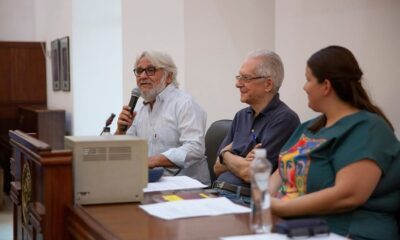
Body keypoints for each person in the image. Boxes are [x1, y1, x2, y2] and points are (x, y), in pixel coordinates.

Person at [270, 46, 400, 239]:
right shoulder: (309, 127)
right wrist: (266, 200)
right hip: (292, 227)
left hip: (345, 231)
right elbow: (282, 169)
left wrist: (281, 207)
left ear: (326, 86)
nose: (304, 87)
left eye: (308, 79)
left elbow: (348, 195)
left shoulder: (368, 128)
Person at [213, 49, 300, 205]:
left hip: (246, 200)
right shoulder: (241, 116)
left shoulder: (285, 120)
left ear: (268, 84)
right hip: (218, 192)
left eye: (245, 78)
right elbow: (217, 168)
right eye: (239, 77)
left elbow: (250, 174)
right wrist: (239, 160)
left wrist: (226, 155)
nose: (237, 84)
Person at [115, 50, 210, 185]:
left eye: (150, 70)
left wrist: (152, 161)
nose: (142, 76)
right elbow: (124, 151)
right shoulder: (137, 108)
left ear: (169, 76)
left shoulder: (184, 103)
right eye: (139, 70)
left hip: (187, 186)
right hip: (151, 183)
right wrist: (120, 131)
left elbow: (195, 148)